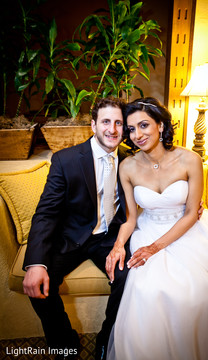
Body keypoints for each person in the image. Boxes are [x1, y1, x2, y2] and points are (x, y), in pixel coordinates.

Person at [106, 97, 208, 360]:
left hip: (188, 229)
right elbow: (131, 218)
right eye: (131, 129)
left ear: (160, 124)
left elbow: (192, 213)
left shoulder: (190, 159)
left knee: (202, 292)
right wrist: (118, 245)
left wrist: (154, 248)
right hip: (147, 230)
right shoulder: (127, 167)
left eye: (144, 125)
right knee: (148, 288)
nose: (137, 135)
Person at [22, 97, 131, 360]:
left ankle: (106, 340)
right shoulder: (65, 160)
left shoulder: (131, 161)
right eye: (106, 121)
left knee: (129, 278)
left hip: (109, 239)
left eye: (118, 123)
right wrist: (35, 263)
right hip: (71, 238)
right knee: (39, 287)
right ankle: (66, 345)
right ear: (93, 125)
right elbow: (46, 213)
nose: (112, 129)